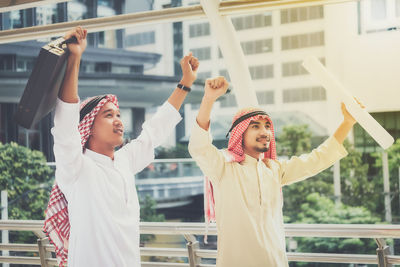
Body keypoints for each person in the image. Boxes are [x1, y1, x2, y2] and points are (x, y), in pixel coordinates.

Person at [43, 26, 199, 267]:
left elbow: (154, 130)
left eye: (118, 114)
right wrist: (74, 58)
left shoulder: (125, 161)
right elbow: (65, 123)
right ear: (88, 127)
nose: (118, 120)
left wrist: (185, 83)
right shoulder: (75, 167)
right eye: (108, 115)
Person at [188, 76, 360, 267]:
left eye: (267, 126)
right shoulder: (223, 167)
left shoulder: (274, 170)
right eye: (255, 126)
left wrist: (347, 123)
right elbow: (199, 146)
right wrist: (209, 99)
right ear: (240, 134)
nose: (265, 132)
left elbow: (316, 160)